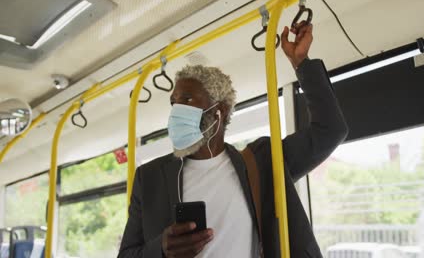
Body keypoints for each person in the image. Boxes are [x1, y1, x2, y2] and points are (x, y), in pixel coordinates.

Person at [118, 21, 348, 258]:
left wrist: (301, 63)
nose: (176, 110)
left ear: (221, 111)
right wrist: (161, 249)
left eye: (186, 100)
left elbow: (330, 130)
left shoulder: (264, 163)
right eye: (173, 102)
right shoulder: (150, 178)